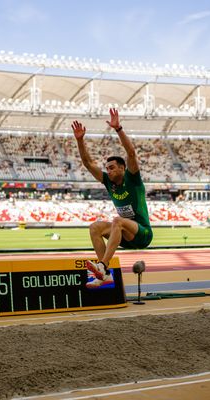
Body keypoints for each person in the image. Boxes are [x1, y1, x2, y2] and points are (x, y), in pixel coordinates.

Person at [72, 108, 153, 288]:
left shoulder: (133, 179)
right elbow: (87, 163)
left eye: (112, 168)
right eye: (107, 168)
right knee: (95, 227)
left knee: (118, 220)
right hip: (124, 235)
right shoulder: (108, 182)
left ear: (123, 169)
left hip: (143, 233)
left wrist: (118, 129)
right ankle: (104, 275)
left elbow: (131, 153)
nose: (108, 171)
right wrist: (80, 140)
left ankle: (102, 266)